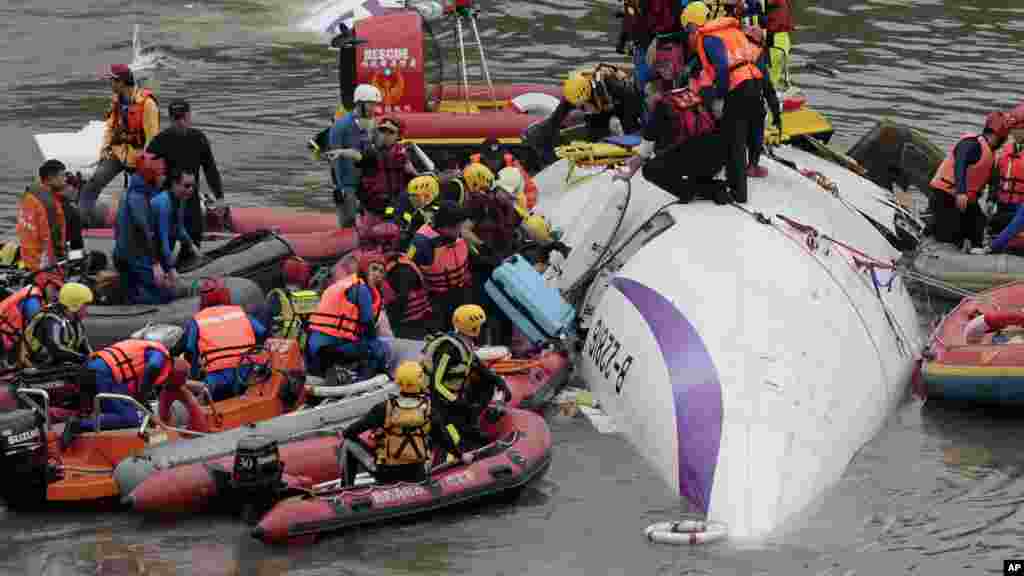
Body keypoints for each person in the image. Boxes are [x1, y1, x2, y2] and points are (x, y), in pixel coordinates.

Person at [685, 1, 765, 204]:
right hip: (754, 82)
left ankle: (738, 193)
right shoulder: (729, 29)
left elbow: (721, 67)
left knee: (735, 141)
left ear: (694, 24)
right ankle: (738, 181)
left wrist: (719, 97)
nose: (689, 34)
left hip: (738, 87)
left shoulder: (709, 37)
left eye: (688, 29)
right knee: (740, 135)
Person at [421, 305, 511, 462]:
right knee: (453, 435)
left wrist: (499, 382)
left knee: (484, 386)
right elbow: (436, 383)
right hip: (437, 399)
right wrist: (455, 401)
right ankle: (449, 457)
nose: (482, 329)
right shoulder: (449, 349)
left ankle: (472, 434)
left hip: (452, 397)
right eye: (481, 326)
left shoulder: (465, 344)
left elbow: (478, 365)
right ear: (472, 327)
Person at [79, 64, 160, 227]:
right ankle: (83, 223)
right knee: (93, 183)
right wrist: (105, 149)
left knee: (138, 196)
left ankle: (146, 227)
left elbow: (153, 138)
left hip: (139, 158)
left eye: (111, 81)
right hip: (118, 154)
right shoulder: (117, 100)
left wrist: (145, 166)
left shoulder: (147, 104)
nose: (110, 84)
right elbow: (110, 127)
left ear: (121, 82)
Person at [61, 336, 181, 446]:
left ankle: (90, 429)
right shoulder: (160, 355)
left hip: (88, 370)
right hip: (101, 375)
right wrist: (143, 395)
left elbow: (131, 394)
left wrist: (147, 412)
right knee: (131, 419)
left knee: (128, 412)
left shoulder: (142, 352)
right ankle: (78, 425)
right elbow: (153, 366)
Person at [615, 84, 726, 202]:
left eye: (646, 96)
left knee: (650, 169)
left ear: (656, 94)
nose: (645, 100)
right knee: (682, 155)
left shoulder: (661, 106)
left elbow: (645, 152)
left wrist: (627, 172)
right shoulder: (690, 95)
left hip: (698, 157)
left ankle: (695, 191)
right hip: (716, 158)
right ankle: (709, 186)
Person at [338, 361, 439, 486]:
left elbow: (349, 432)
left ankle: (347, 489)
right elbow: (443, 438)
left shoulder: (383, 408)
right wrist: (461, 456)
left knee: (348, 443)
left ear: (398, 383)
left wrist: (378, 436)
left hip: (386, 474)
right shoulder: (429, 408)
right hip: (417, 473)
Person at [522, 65, 644, 168]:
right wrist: (536, 138)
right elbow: (554, 120)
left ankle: (634, 159)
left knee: (630, 129)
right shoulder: (572, 93)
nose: (579, 107)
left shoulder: (617, 87)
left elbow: (633, 108)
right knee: (595, 134)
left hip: (621, 104)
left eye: (582, 105)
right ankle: (599, 160)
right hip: (600, 109)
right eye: (578, 105)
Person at [145, 99, 224, 255]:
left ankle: (187, 269)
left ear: (189, 116)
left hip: (191, 196)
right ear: (170, 119)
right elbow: (145, 170)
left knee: (194, 237)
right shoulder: (161, 140)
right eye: (176, 118)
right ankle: (163, 268)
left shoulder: (199, 138)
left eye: (182, 117)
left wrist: (220, 197)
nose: (180, 122)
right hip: (168, 197)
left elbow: (210, 170)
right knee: (166, 239)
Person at [928, 112, 1009, 250]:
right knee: (952, 234)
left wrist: (991, 199)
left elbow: (993, 180)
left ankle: (975, 254)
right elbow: (960, 164)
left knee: (979, 223)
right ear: (999, 135)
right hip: (946, 196)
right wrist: (961, 192)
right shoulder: (972, 144)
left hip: (967, 201)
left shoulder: (991, 155)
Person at [306, 253, 390, 380]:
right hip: (329, 350)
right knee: (378, 348)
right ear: (364, 268)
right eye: (374, 268)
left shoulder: (343, 283)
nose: (377, 274)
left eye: (381, 271)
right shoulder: (361, 289)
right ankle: (363, 382)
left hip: (312, 348)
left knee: (366, 344)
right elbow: (368, 327)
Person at [174, 300, 270, 402]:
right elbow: (263, 333)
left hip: (217, 380)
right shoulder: (240, 312)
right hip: (247, 374)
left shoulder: (197, 320)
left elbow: (189, 351)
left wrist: (194, 376)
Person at [113, 152, 174, 305]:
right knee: (165, 294)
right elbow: (144, 231)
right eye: (161, 174)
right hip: (133, 257)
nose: (164, 178)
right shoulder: (138, 198)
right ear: (151, 175)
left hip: (126, 254)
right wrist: (155, 265)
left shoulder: (136, 193)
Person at [407, 201, 473, 333]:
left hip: (460, 293)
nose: (460, 231)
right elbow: (409, 272)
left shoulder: (455, 234)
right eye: (457, 227)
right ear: (444, 226)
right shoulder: (422, 243)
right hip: (435, 301)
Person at [327, 84, 382, 228]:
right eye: (371, 104)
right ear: (360, 104)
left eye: (375, 105)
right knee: (348, 220)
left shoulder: (372, 124)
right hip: (347, 182)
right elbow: (335, 160)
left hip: (366, 181)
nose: (374, 109)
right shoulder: (340, 126)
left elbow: (376, 151)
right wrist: (340, 187)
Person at [356, 116, 416, 227]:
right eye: (382, 131)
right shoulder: (369, 153)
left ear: (398, 136)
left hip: (396, 209)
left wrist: (411, 172)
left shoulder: (404, 156)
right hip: (373, 208)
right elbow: (359, 180)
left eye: (391, 132)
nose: (385, 135)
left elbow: (413, 184)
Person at [17, 160, 74, 273]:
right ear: (50, 178)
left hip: (28, 258)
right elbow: (54, 238)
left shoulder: (30, 194)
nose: (65, 179)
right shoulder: (48, 204)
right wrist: (61, 261)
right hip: (44, 265)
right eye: (62, 176)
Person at [19, 282, 93, 369]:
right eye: (85, 306)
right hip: (37, 367)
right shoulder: (51, 320)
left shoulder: (75, 321)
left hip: (58, 365)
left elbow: (85, 348)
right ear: (74, 305)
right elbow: (56, 349)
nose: (87, 311)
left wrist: (94, 357)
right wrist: (83, 358)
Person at [616, 0, 684, 93]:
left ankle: (642, 97)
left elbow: (634, 20)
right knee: (666, 79)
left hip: (650, 42)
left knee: (643, 78)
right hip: (670, 42)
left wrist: (623, 40)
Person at [983, 116, 1024, 254]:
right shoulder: (1004, 151)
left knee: (1013, 233)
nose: (1014, 133)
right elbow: (995, 179)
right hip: (1002, 204)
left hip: (1019, 208)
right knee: (994, 225)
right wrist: (990, 199)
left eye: (1018, 129)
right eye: (1012, 129)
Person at [152, 170, 199, 286]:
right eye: (187, 186)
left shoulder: (181, 200)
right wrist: (171, 268)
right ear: (174, 184)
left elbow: (180, 227)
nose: (191, 190)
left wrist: (191, 245)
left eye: (193, 186)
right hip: (148, 247)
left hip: (161, 245)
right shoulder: (163, 203)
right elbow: (163, 239)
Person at [0, 276, 61, 365]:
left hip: (9, 335)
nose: (57, 294)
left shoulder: (33, 291)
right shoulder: (33, 300)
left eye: (59, 290)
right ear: (45, 284)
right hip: (6, 338)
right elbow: (35, 330)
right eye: (55, 289)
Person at [468, 138, 538, 211]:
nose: (494, 161)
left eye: (497, 157)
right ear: (482, 156)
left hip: (508, 206)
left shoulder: (512, 163)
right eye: (490, 157)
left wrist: (525, 210)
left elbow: (529, 188)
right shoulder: (472, 167)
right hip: (481, 209)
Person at [380, 251, 434, 340]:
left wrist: (391, 323)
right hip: (424, 317)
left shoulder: (397, 270)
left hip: (407, 324)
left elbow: (403, 297)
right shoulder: (406, 261)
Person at [386, 174, 440, 252]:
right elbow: (394, 220)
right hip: (399, 236)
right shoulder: (404, 200)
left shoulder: (433, 207)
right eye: (413, 196)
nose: (413, 198)